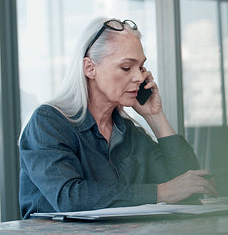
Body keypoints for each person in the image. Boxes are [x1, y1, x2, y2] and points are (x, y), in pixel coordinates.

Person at [18, 17, 217, 219]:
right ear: (89, 68)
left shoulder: (129, 133)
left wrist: (155, 116)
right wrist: (161, 192)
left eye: (140, 67)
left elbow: (189, 188)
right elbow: (69, 197)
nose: (139, 77)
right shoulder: (49, 122)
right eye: (126, 67)